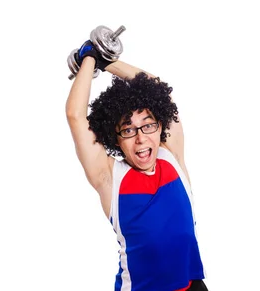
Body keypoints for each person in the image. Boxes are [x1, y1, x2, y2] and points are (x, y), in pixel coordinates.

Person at [65, 40, 207, 291]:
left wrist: (108, 61)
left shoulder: (171, 155)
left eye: (148, 125)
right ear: (116, 138)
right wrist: (89, 58)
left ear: (160, 126)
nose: (141, 137)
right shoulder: (110, 177)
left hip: (192, 286)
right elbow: (76, 115)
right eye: (128, 130)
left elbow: (159, 90)